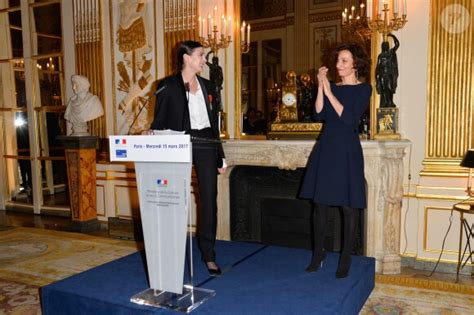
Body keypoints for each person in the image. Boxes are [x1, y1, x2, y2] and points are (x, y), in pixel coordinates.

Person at [149, 40, 226, 276]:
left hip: (206, 144)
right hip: (177, 143)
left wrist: (220, 156)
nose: (204, 60)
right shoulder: (167, 85)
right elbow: (159, 120)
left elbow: (215, 125)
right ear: (186, 57)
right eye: (201, 55)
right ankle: (171, 250)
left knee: (209, 199)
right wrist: (152, 133)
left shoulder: (209, 86)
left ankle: (209, 254)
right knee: (174, 200)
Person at [299, 42, 371, 279]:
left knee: (348, 207)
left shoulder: (364, 90)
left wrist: (330, 91)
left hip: (347, 150)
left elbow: (349, 119)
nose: (338, 65)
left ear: (356, 65)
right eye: (338, 60)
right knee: (319, 205)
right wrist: (322, 86)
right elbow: (318, 113)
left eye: (344, 61)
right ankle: (318, 255)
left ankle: (345, 258)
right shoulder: (332, 87)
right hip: (327, 148)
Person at [375, 33, 399, 108]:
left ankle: (390, 103)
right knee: (383, 90)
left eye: (386, 45)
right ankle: (384, 104)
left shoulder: (391, 53)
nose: (385, 46)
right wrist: (377, 78)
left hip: (389, 75)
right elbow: (377, 67)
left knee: (389, 88)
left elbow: (397, 44)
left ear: (388, 46)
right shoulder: (380, 56)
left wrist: (392, 36)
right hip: (382, 75)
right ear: (382, 47)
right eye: (384, 45)